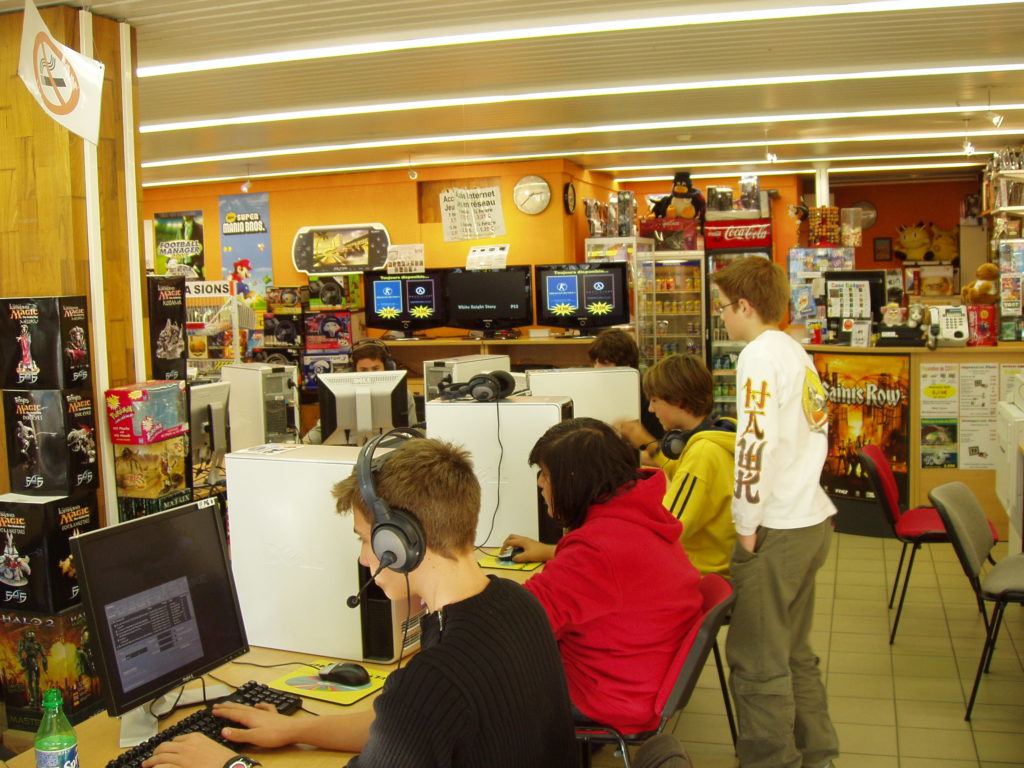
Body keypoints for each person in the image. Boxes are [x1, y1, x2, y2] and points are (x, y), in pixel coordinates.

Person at [144, 435, 577, 768]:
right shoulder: (515, 604)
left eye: (365, 540)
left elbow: (418, 712)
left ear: (400, 544)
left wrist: (229, 765)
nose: (364, 559)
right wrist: (296, 729)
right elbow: (408, 726)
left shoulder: (433, 679)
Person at [710, 256, 839, 768]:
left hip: (775, 529)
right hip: (809, 519)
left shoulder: (759, 356)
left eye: (723, 306)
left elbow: (753, 444)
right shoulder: (794, 350)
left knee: (757, 661)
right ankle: (817, 752)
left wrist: (746, 527)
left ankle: (771, 761)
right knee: (793, 651)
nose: (721, 315)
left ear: (744, 306)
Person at [502, 417, 702, 735]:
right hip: (636, 678)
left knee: (477, 683)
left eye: (546, 474)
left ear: (572, 480)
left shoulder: (595, 550)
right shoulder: (639, 517)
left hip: (607, 697)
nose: (540, 484)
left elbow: (522, 623)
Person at [620, 353, 736, 575]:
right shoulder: (718, 435)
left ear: (678, 400)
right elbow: (683, 469)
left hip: (697, 572)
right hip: (715, 564)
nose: (651, 409)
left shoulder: (702, 453)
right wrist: (648, 444)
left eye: (655, 400)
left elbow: (668, 528)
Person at [303, 338, 419, 444]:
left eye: (375, 368)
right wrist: (305, 443)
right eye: (364, 370)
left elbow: (414, 432)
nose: (370, 374)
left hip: (391, 451)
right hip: (347, 451)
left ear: (387, 367)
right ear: (354, 371)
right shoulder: (340, 394)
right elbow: (322, 429)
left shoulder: (403, 395)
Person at [588, 328, 664, 445]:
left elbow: (658, 445)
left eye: (605, 362)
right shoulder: (597, 387)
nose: (596, 368)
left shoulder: (647, 394)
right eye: (595, 362)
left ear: (626, 363)